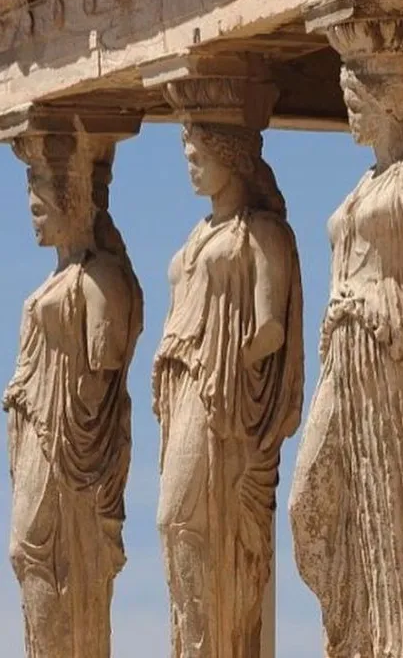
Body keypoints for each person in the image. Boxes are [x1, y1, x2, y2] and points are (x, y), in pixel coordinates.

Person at [153, 121, 303, 658]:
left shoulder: (262, 232)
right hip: (183, 390)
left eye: (199, 154)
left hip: (221, 395)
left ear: (230, 155)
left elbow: (270, 329)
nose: (190, 164)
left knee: (183, 519)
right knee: (174, 526)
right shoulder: (199, 233)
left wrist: (221, 366)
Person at [4, 133, 143, 658]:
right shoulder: (64, 275)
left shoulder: (100, 276)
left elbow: (102, 370)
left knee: (43, 555)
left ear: (71, 199)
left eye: (42, 203)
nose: (33, 215)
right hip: (39, 433)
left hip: (67, 447)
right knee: (28, 558)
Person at [290, 63, 403, 657]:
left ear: (387, 102)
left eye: (356, 99)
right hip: (345, 354)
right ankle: (354, 634)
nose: (349, 111)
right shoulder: (364, 181)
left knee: (387, 504)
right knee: (309, 497)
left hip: (386, 350)